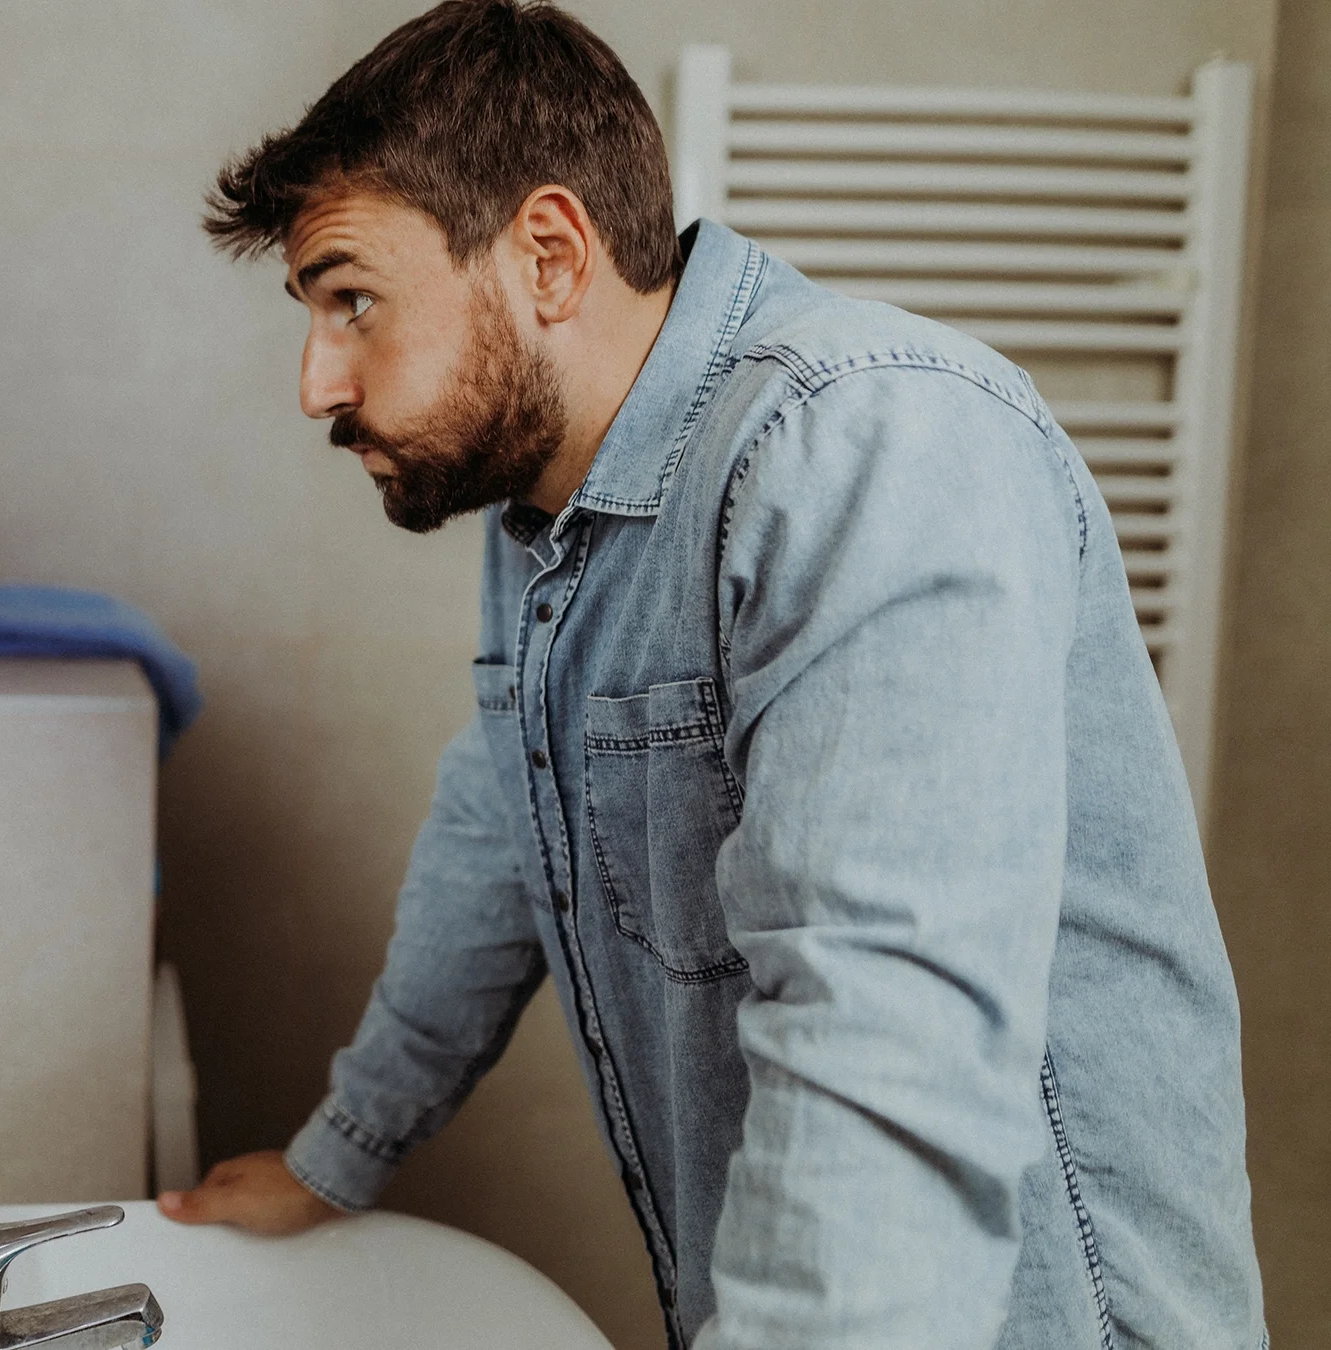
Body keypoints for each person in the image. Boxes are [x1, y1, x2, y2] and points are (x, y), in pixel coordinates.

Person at [153, 4, 1268, 1348]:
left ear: (548, 254)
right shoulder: (552, 517)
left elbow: (885, 1049)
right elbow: (501, 840)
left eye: (351, 298)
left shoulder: (869, 445)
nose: (315, 380)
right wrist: (339, 1152)